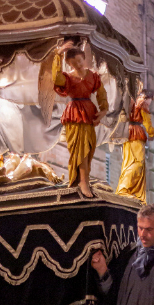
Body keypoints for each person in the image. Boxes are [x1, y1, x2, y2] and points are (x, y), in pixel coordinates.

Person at [53, 39, 108, 197]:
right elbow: (56, 78)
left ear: (84, 59)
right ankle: (82, 181)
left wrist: (103, 110)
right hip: (75, 113)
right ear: (69, 63)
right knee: (79, 148)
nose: (78, 64)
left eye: (79, 60)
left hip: (88, 112)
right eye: (73, 62)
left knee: (89, 148)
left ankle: (83, 179)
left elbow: (101, 94)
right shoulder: (68, 78)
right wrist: (58, 54)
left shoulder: (93, 76)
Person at [115, 88, 154, 201]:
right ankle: (125, 189)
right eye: (150, 101)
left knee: (128, 163)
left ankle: (127, 189)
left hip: (129, 133)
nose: (150, 103)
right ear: (147, 97)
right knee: (137, 163)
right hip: (136, 134)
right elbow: (147, 121)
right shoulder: (142, 103)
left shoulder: (132, 101)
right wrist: (151, 133)